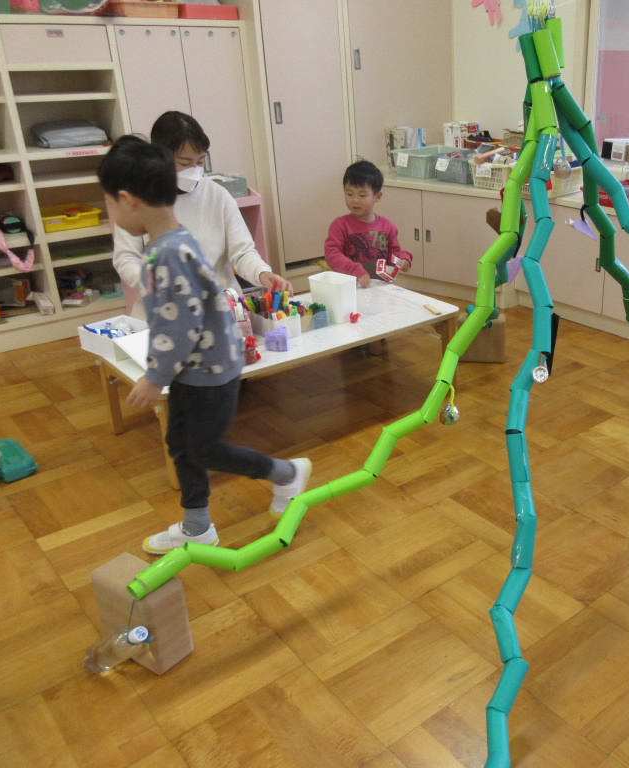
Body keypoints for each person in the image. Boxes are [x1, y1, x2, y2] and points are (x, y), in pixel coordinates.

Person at [97, 135, 311, 554]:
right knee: (181, 445)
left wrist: (154, 377)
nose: (112, 214)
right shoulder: (171, 242)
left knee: (205, 449)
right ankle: (197, 526)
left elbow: (180, 327)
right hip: (194, 368)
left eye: (109, 204)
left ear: (128, 200)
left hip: (209, 372)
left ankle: (286, 473)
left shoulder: (169, 255)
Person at [112, 111, 291, 319]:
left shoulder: (217, 195)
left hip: (218, 307)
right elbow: (126, 258)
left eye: (200, 161)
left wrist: (263, 273)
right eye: (185, 162)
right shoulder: (138, 200)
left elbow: (242, 252)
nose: (194, 170)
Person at [324, 160, 412, 288]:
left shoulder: (388, 227)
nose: (355, 200)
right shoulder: (339, 225)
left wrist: (404, 259)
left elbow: (393, 256)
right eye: (349, 194)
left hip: (380, 287)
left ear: (377, 196)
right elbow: (332, 254)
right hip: (350, 287)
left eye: (362, 195)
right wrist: (354, 269)